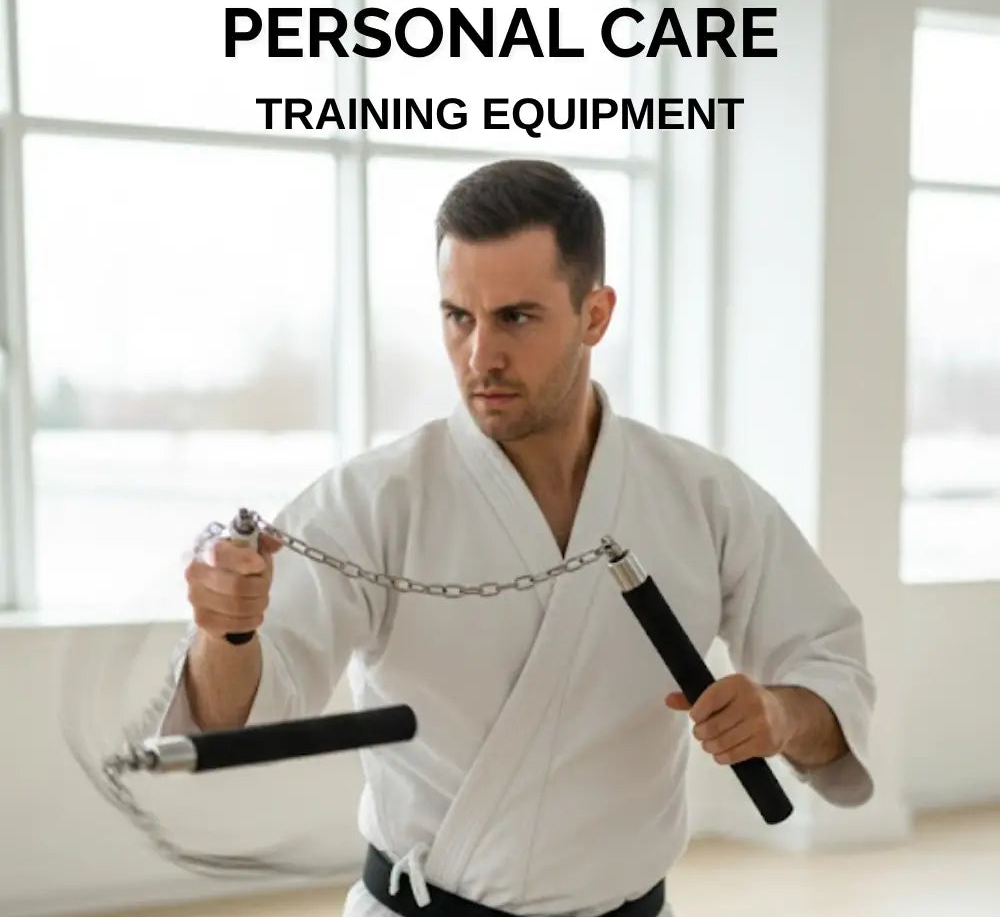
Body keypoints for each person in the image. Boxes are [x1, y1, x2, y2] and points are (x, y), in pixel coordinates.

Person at [161, 159, 875, 917]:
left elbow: (832, 676)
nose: (481, 357)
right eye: (458, 316)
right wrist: (224, 632)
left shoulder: (701, 496)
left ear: (595, 315)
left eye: (517, 318)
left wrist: (780, 714)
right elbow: (237, 716)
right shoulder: (372, 501)